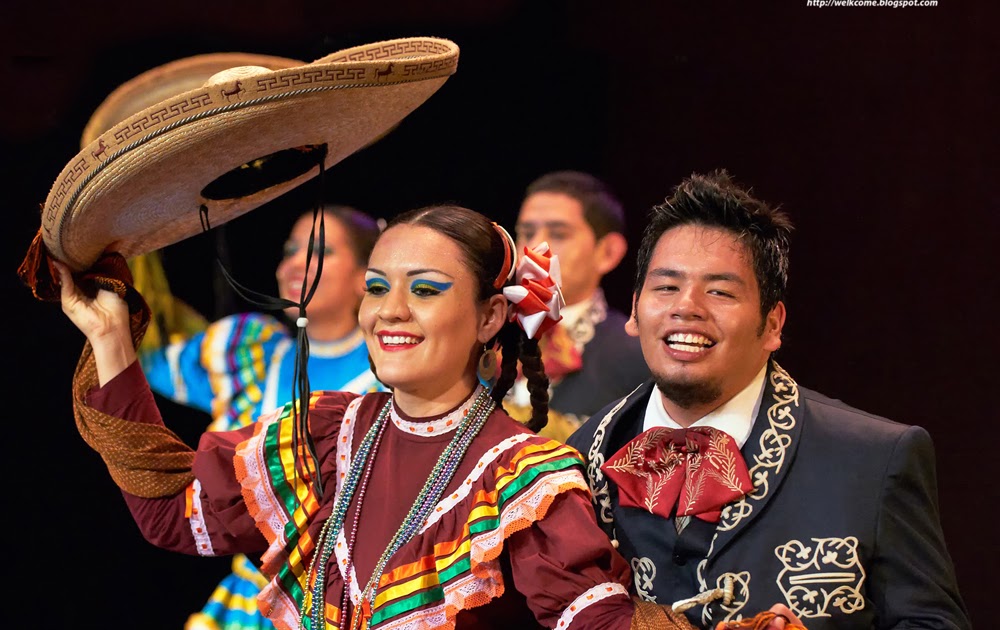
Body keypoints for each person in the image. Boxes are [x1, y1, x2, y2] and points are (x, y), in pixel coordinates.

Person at [61, 203, 774, 630]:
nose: (390, 310)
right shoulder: (324, 434)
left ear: (490, 314)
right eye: (378, 287)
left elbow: (593, 621)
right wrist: (109, 338)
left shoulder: (522, 480)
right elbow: (172, 515)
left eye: (425, 289)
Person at [567, 170, 971, 629]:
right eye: (666, 287)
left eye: (720, 291)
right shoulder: (573, 462)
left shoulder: (875, 459)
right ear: (636, 309)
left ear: (773, 324)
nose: (688, 306)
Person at [138, 204, 385, 630]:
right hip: (251, 607)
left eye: (319, 251)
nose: (295, 263)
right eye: (289, 250)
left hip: (355, 608)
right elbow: (152, 352)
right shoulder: (251, 357)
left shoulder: (395, 373)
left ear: (367, 276)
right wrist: (126, 239)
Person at [507, 170, 648, 442]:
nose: (535, 247)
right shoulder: (486, 337)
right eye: (526, 232)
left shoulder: (637, 354)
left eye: (558, 234)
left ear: (607, 252)